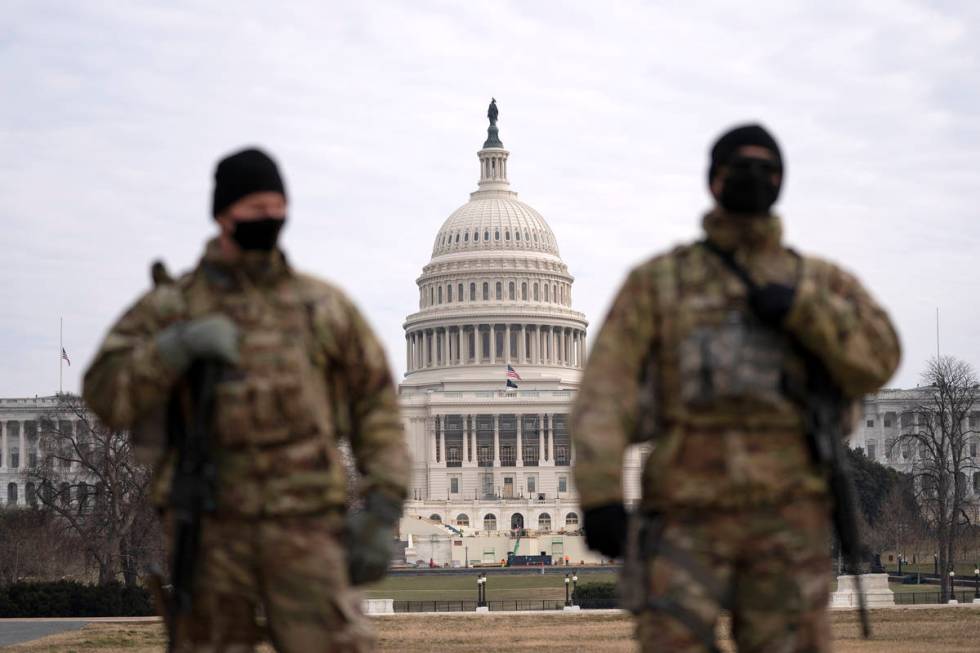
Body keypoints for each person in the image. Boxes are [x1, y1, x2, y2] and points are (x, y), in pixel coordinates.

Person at [571, 124, 900, 652]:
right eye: (738, 167)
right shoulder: (659, 282)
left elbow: (880, 358)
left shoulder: (819, 283)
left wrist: (801, 310)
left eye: (764, 168)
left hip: (787, 515)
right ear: (713, 180)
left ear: (781, 181)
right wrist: (602, 494)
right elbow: (605, 396)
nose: (751, 179)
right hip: (684, 513)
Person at [83, 147, 409, 652]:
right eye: (256, 208)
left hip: (306, 530)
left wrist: (383, 507)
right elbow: (105, 395)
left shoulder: (322, 306)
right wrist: (174, 349)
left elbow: (378, 411)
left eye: (277, 207)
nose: (269, 219)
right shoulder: (173, 307)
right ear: (223, 214)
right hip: (210, 531)